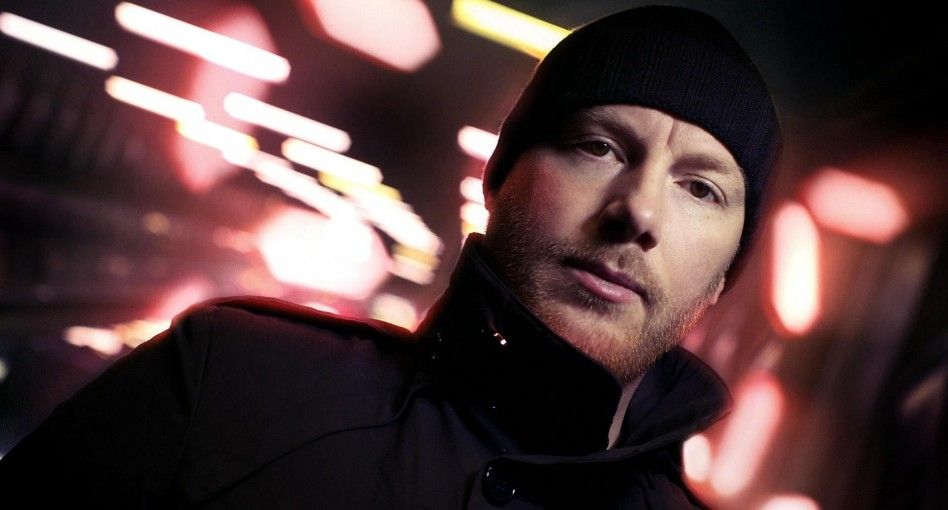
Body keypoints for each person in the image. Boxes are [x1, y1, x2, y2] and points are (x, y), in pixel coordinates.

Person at [0, 6, 779, 508]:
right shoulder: (229, 382)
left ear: (723, 278)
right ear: (500, 178)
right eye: (598, 146)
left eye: (700, 189)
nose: (639, 211)